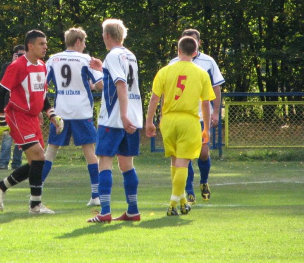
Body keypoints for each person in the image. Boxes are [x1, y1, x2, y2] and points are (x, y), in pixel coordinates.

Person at [0, 29, 63, 215]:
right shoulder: (17, 66)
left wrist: (51, 114)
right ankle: (35, 205)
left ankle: (1, 186)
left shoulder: (42, 66)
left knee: (35, 163)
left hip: (32, 118)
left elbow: (43, 95)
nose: (45, 47)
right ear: (30, 46)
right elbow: (0, 92)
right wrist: (1, 119)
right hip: (17, 115)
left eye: (45, 44)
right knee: (39, 157)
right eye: (41, 44)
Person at [146, 36, 215, 216]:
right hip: (189, 120)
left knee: (175, 161)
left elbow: (154, 98)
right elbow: (206, 104)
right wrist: (206, 128)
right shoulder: (201, 73)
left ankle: (183, 201)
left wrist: (148, 121)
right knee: (183, 162)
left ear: (178, 51)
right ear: (194, 52)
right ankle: (173, 203)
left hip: (168, 120)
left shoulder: (165, 71)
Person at [87, 19, 143, 223]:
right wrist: (103, 69)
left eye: (103, 34)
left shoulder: (112, 55)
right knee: (127, 164)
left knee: (105, 163)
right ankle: (133, 210)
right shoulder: (130, 55)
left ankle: (105, 212)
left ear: (107, 36)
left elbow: (120, 84)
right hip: (134, 116)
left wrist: (122, 114)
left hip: (114, 118)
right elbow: (122, 80)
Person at [41, 27, 104, 207]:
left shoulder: (53, 59)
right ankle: (95, 195)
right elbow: (100, 85)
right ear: (78, 42)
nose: (84, 46)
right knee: (90, 153)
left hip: (60, 112)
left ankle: (37, 191)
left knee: (51, 152)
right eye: (83, 42)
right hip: (81, 112)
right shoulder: (86, 59)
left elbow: (43, 85)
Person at [168, 29, 224, 203]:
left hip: (202, 116)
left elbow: (216, 87)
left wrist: (216, 111)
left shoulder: (208, 62)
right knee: (185, 154)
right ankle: (189, 189)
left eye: (194, 40)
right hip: (183, 116)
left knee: (203, 153)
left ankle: (204, 182)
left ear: (199, 43)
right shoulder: (173, 63)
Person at [0, 45, 25, 170]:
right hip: (8, 107)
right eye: (19, 54)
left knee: (21, 138)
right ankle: (3, 163)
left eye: (24, 54)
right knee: (7, 137)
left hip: (22, 107)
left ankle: (16, 164)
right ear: (14, 55)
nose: (21, 57)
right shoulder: (7, 66)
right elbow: (3, 82)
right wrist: (14, 63)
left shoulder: (28, 67)